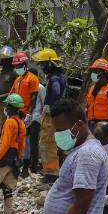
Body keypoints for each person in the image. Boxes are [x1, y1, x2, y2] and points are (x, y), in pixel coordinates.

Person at [35, 48, 66, 179]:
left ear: (49, 64)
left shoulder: (54, 79)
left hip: (52, 116)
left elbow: (56, 92)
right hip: (59, 115)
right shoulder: (61, 77)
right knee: (54, 144)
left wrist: (50, 107)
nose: (41, 67)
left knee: (48, 144)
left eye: (43, 64)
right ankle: (53, 171)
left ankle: (51, 173)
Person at [8, 51, 41, 176]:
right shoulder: (17, 79)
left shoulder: (32, 79)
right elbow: (11, 94)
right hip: (15, 114)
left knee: (26, 142)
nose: (17, 68)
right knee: (15, 140)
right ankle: (15, 164)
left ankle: (26, 168)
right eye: (15, 66)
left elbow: (34, 97)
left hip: (26, 114)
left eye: (19, 66)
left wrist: (29, 114)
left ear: (25, 64)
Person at [84, 58, 108, 128]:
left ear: (104, 73)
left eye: (96, 71)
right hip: (90, 123)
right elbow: (87, 106)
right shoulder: (91, 87)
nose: (93, 73)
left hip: (104, 125)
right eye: (93, 71)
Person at [0, 46, 16, 146]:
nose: (0, 61)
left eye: (3, 60)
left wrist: (1, 97)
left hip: (5, 105)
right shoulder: (0, 73)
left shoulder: (14, 73)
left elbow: (14, 91)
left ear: (9, 60)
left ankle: (1, 148)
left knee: (3, 127)